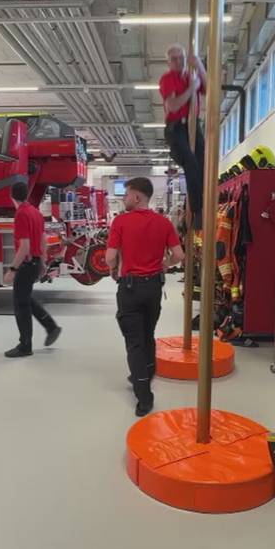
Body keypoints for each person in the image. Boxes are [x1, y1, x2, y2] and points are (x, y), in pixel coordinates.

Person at [105, 178, 185, 416]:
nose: (124, 198)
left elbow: (110, 256)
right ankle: (146, 373)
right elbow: (179, 255)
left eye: (127, 194)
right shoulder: (164, 222)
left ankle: (144, 396)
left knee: (135, 342)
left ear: (136, 197)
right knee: (147, 333)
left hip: (129, 288)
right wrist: (163, 265)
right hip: (153, 288)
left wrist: (112, 270)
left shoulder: (120, 221)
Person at [2, 182, 61, 358]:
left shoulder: (21, 214)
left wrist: (12, 269)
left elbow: (24, 247)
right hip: (35, 263)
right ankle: (51, 327)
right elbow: (43, 239)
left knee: (21, 305)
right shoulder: (35, 212)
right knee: (25, 298)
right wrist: (42, 261)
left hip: (26, 264)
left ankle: (25, 345)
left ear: (11, 196)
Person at [159, 44, 205, 226]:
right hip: (175, 128)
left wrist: (199, 65)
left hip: (193, 126)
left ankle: (201, 206)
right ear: (168, 62)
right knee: (191, 163)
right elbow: (173, 105)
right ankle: (197, 211)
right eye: (174, 59)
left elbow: (209, 89)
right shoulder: (167, 79)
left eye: (182, 58)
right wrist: (191, 89)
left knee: (203, 166)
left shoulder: (191, 75)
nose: (179, 62)